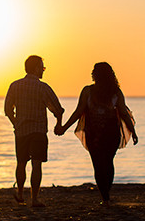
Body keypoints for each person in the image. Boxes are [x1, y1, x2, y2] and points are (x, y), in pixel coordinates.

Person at [56, 62, 137, 205]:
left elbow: (78, 111)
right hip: (110, 133)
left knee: (98, 164)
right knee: (108, 163)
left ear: (95, 74)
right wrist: (133, 132)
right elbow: (123, 113)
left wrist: (64, 127)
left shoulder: (89, 91)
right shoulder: (115, 92)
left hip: (94, 134)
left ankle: (105, 196)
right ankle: (106, 194)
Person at [4, 55, 64, 208]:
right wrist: (59, 124)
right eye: (42, 68)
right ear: (36, 68)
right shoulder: (43, 87)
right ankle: (34, 199)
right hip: (38, 130)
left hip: (21, 130)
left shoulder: (15, 85)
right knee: (37, 165)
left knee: (21, 163)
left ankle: (20, 194)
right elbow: (57, 109)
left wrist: (15, 122)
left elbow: (7, 108)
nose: (43, 71)